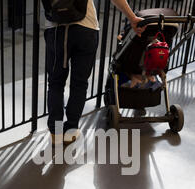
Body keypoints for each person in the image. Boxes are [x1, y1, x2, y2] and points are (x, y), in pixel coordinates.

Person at [44, 0, 146, 145]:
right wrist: (132, 17)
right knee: (79, 83)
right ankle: (71, 129)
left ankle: (56, 132)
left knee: (56, 83)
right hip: (87, 27)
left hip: (56, 28)